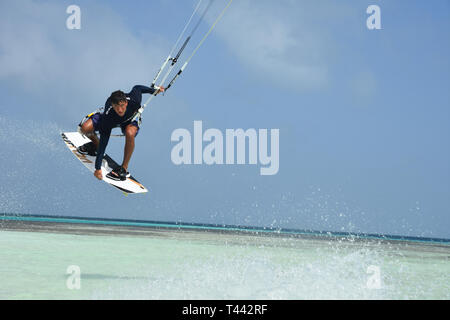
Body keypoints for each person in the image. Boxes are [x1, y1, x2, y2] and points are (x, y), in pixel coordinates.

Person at [77, 85, 164, 181]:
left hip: (129, 122)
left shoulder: (134, 101)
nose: (120, 110)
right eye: (116, 107)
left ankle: (123, 168)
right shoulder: (108, 116)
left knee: (130, 132)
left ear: (126, 103)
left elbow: (137, 88)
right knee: (85, 129)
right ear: (113, 106)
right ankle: (95, 146)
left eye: (122, 105)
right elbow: (104, 143)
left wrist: (153, 91)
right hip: (111, 121)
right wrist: (97, 168)